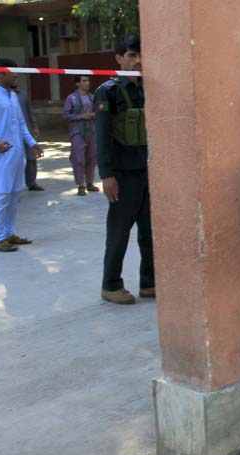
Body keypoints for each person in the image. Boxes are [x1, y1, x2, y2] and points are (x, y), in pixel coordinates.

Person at [94, 35, 154, 305]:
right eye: (131, 55)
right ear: (118, 59)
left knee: (149, 231)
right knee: (119, 233)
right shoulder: (108, 91)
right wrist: (107, 175)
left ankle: (149, 283)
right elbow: (102, 136)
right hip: (122, 174)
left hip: (147, 171)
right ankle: (111, 285)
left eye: (139, 55)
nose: (137, 60)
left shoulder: (148, 89)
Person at [0, 58, 44, 252]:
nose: (16, 75)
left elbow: (22, 124)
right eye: (12, 72)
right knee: (0, 195)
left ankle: (9, 233)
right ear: (0, 73)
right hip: (0, 155)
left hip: (17, 154)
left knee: (14, 195)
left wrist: (32, 143)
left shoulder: (13, 96)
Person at [63, 75, 99, 196]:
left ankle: (90, 182)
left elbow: (99, 110)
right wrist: (81, 116)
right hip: (77, 131)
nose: (87, 83)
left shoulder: (92, 97)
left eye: (88, 80)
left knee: (92, 157)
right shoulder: (71, 98)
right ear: (78, 84)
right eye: (84, 81)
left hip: (92, 131)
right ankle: (80, 185)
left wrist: (94, 114)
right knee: (79, 158)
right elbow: (66, 115)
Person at [13, 84, 43, 191]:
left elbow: (29, 111)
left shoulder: (23, 95)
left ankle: (31, 182)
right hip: (11, 133)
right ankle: (14, 186)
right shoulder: (1, 96)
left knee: (31, 156)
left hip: (26, 129)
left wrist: (34, 125)